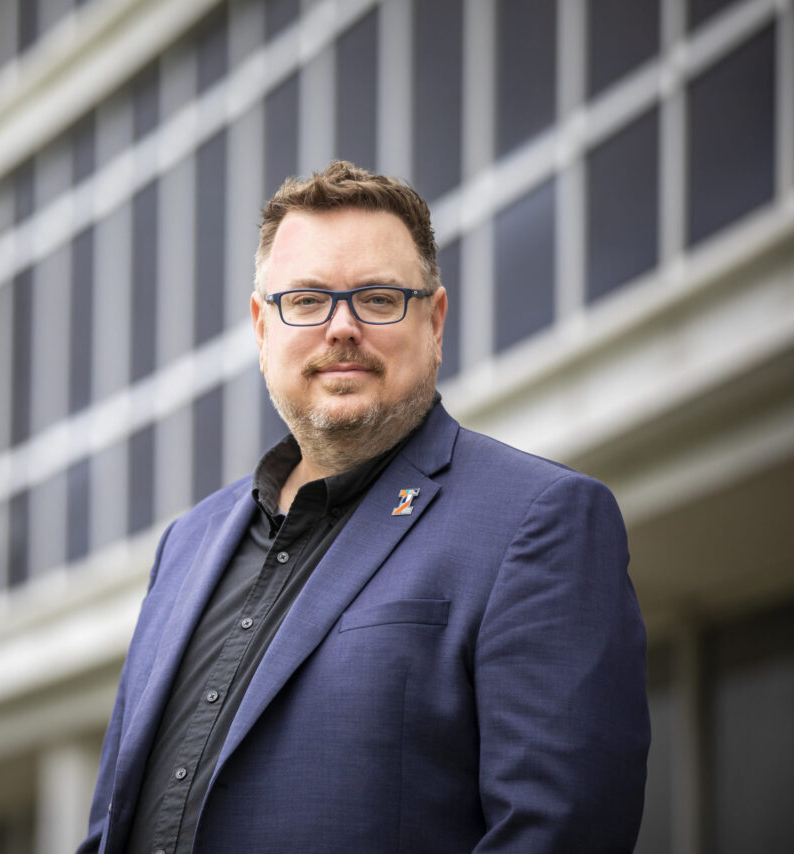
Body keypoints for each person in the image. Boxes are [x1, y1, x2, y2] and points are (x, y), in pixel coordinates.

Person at [78, 161, 649, 853]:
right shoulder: (186, 545)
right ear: (262, 329)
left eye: (378, 299)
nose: (341, 327)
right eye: (307, 299)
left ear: (435, 322)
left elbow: (560, 834)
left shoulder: (539, 521)